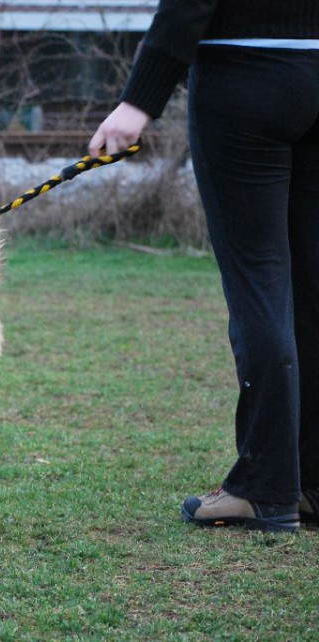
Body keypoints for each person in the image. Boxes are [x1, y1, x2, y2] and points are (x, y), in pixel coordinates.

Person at [89, 0, 319, 533]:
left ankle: (264, 489)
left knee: (259, 283)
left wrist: (137, 102)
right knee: (311, 290)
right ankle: (309, 483)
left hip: (244, 76)